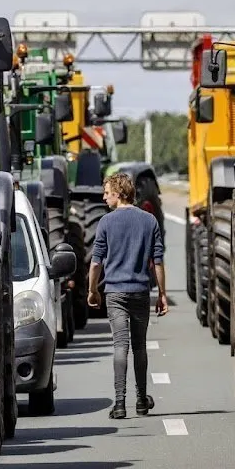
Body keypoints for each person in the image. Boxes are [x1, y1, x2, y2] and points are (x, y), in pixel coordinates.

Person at [87, 173, 168, 419]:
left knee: (120, 346)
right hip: (140, 292)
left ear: (119, 194)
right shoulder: (149, 221)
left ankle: (120, 404)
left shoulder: (106, 223)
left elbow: (96, 263)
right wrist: (162, 294)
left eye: (107, 192)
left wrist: (93, 290)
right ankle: (142, 401)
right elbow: (158, 262)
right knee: (139, 347)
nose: (104, 197)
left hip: (115, 293)